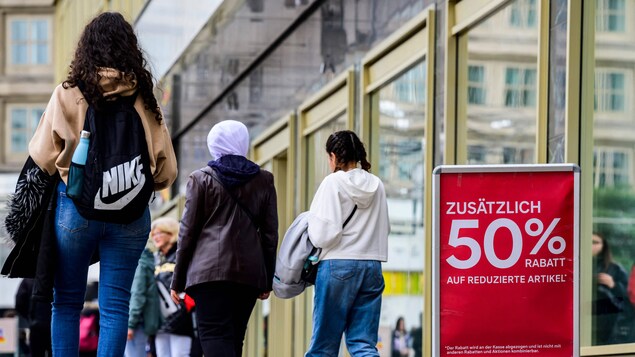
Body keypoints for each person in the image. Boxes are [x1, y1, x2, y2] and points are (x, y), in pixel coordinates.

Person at [27, 12, 177, 356]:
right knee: (115, 307)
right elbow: (166, 171)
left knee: (65, 302)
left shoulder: (68, 93)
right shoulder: (144, 96)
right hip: (130, 214)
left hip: (75, 210)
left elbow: (42, 155)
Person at [170, 120, 279, 357]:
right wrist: (267, 279)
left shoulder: (200, 179)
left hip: (208, 274)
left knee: (214, 337)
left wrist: (177, 280)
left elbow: (187, 232)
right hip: (249, 275)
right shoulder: (265, 179)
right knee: (234, 338)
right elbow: (270, 235)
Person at [304, 130, 389, 356]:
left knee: (323, 346)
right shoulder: (377, 184)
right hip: (372, 266)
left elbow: (323, 235)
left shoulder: (332, 183)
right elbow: (385, 228)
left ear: (334, 156)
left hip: (337, 266)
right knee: (363, 345)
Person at [151, 217, 194, 356]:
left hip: (181, 318)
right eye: (154, 234)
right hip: (159, 320)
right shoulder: (155, 259)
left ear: (171, 233)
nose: (156, 237)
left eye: (160, 233)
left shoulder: (180, 255)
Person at [592, 232, 629, 345]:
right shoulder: (572, 266)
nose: (591, 246)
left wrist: (613, 285)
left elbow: (628, 298)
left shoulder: (615, 268)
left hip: (607, 323)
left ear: (604, 246)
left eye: (595, 242)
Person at [125, 246, 161, 357]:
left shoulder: (139, 264)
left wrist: (130, 324)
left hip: (136, 323)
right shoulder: (147, 262)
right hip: (141, 321)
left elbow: (137, 295)